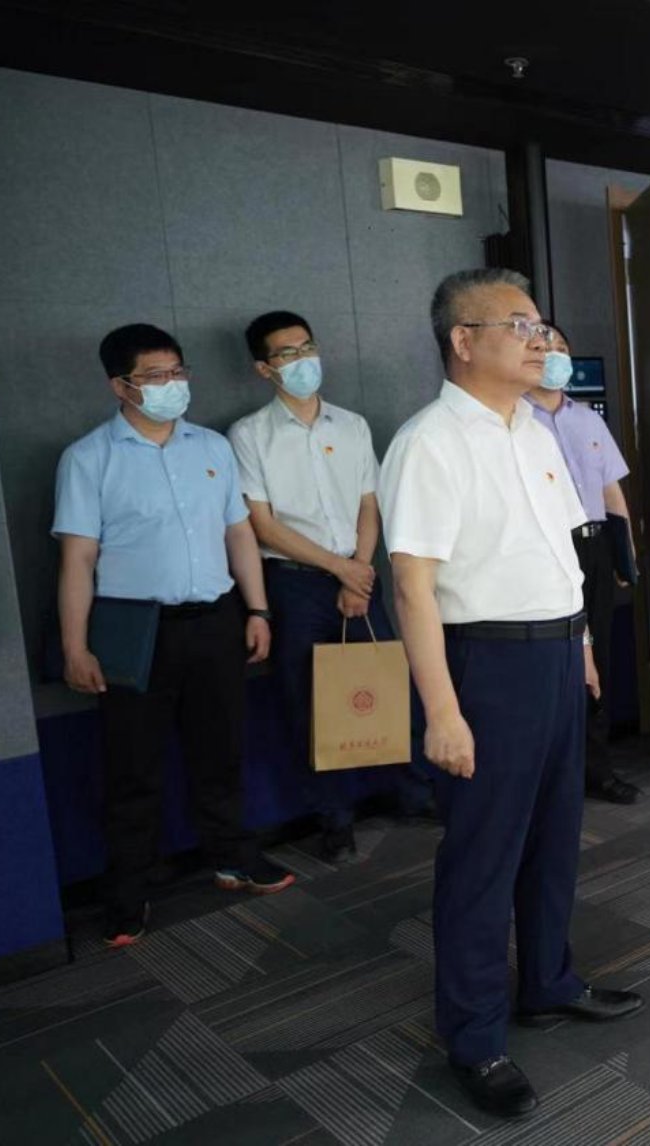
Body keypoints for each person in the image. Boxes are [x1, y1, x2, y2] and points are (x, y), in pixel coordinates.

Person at [380, 269, 641, 1120]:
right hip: (485, 664)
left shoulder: (533, 428)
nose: (540, 341)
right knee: (482, 856)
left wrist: (583, 644)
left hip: (557, 652)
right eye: (519, 326)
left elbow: (561, 553)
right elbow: (412, 588)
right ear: (463, 340)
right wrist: (441, 711)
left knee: (554, 836)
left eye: (540, 326)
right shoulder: (428, 442)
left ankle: (549, 982)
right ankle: (474, 1036)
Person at [55, 323, 294, 948]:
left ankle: (233, 854)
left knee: (223, 749)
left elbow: (239, 534)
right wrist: (76, 647)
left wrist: (258, 611)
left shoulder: (211, 447)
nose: (171, 385)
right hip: (136, 631)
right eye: (155, 376)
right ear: (120, 386)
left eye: (177, 372)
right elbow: (78, 559)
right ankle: (128, 891)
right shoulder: (88, 458)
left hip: (215, 621)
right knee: (133, 768)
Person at [228, 310, 424, 864]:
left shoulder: (352, 425)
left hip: (359, 575)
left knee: (389, 685)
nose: (303, 360)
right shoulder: (249, 434)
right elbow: (263, 525)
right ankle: (334, 818)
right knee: (311, 704)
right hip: (295, 585)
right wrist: (341, 570)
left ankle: (412, 793)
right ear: (264, 368)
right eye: (287, 353)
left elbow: (369, 504)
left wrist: (358, 571)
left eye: (308, 347)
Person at [529, 322, 643, 804]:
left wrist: (625, 554)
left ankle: (597, 768)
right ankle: (553, 772)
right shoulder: (516, 419)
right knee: (558, 661)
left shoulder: (588, 420)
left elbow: (611, 491)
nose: (553, 354)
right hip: (546, 550)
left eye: (561, 347)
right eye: (543, 346)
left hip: (595, 548)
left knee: (600, 660)